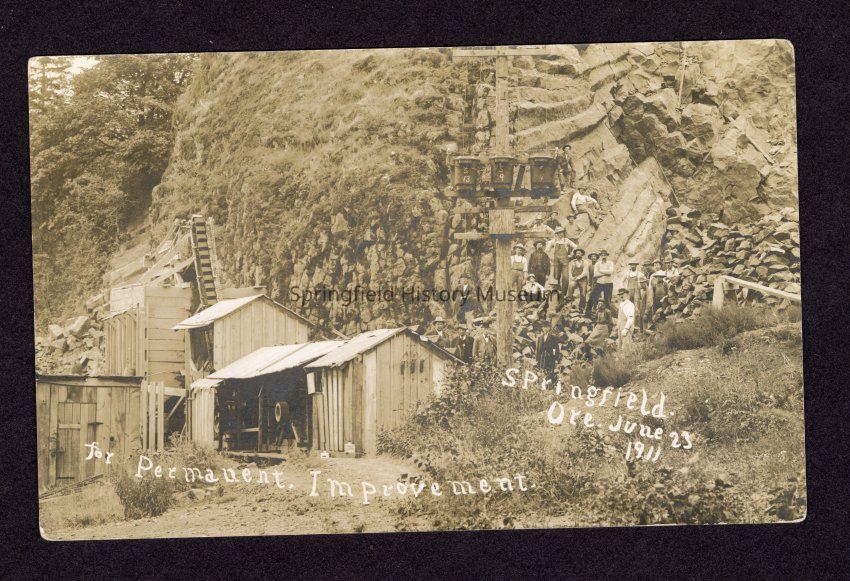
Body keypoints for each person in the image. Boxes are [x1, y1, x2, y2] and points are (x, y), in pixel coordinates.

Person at [622, 260, 647, 332]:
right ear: (630, 265)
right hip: (629, 292)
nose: (633, 266)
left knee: (636, 308)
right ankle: (629, 324)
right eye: (631, 265)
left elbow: (645, 282)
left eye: (634, 265)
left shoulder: (640, 274)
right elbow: (622, 281)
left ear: (636, 265)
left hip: (637, 292)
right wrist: (624, 288)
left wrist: (641, 288)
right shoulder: (627, 273)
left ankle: (637, 326)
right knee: (628, 308)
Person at [584, 252, 600, 316]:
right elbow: (590, 275)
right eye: (592, 257)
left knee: (595, 295)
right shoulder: (590, 265)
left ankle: (594, 309)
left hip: (599, 282)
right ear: (590, 258)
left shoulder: (599, 264)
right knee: (593, 295)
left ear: (596, 258)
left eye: (594, 257)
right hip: (593, 282)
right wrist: (590, 283)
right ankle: (592, 310)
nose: (593, 258)